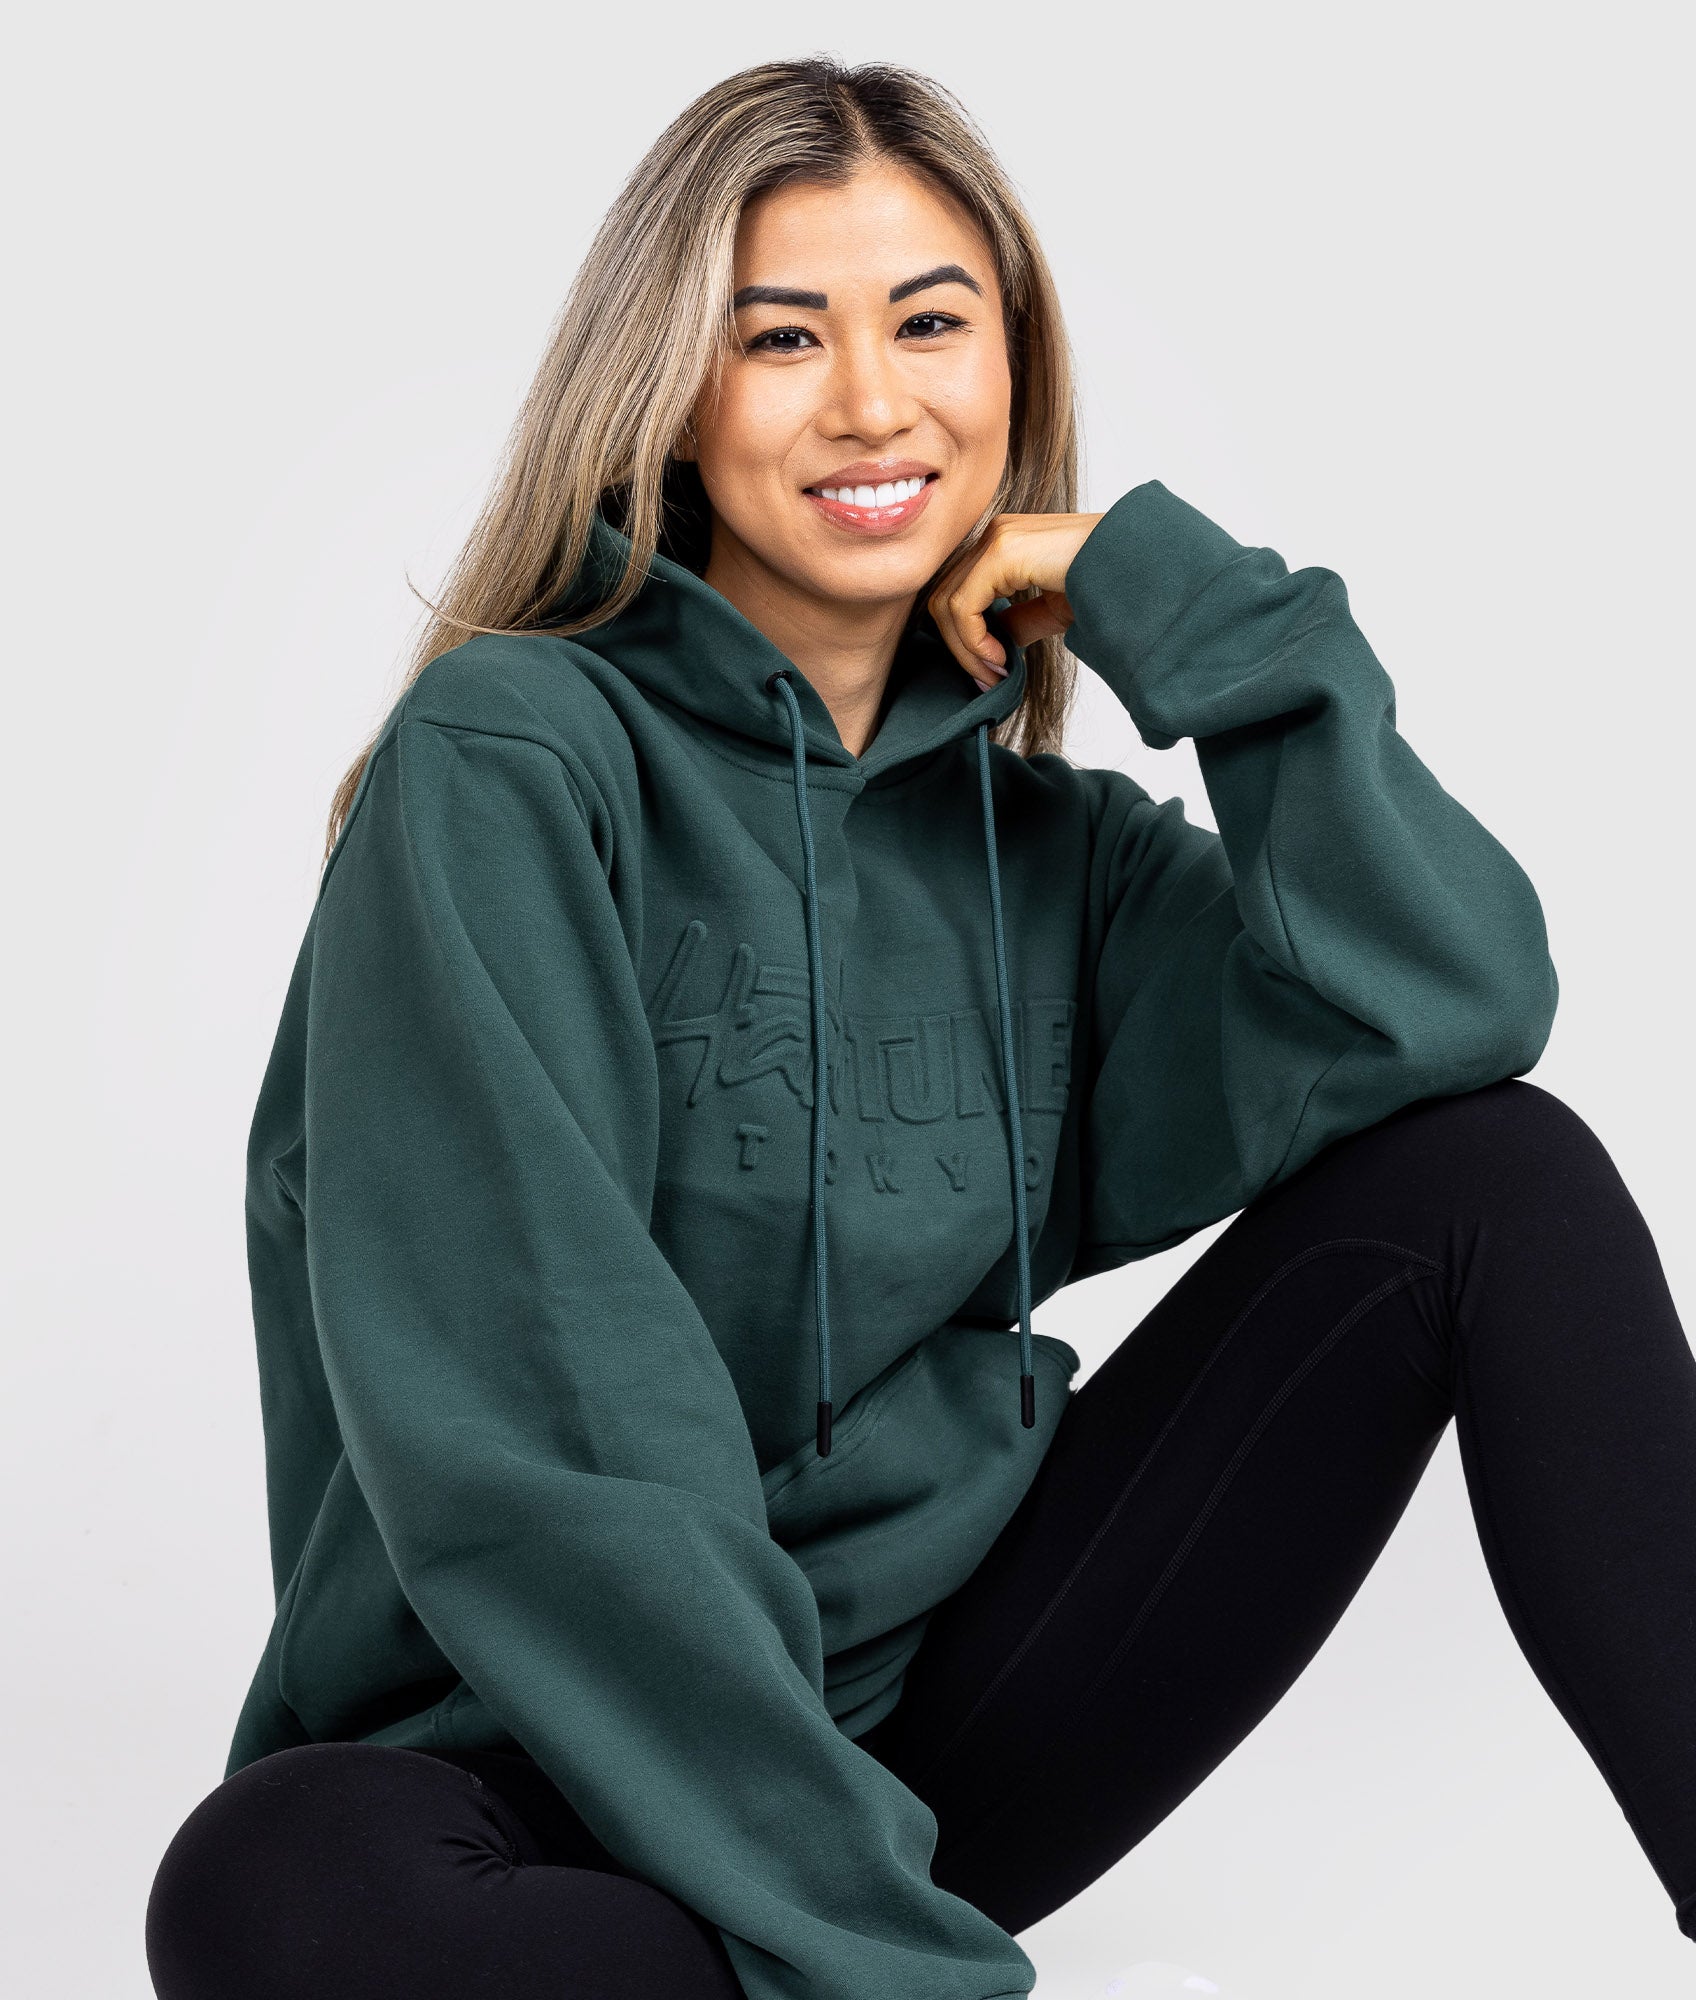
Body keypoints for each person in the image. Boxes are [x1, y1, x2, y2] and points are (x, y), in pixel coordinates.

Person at [144, 55, 1696, 2000]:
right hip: (528, 1751)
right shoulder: (514, 761)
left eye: (932, 323)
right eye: (781, 335)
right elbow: (547, 1427)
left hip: (937, 1724)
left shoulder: (1054, 854)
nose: (872, 401)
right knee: (267, 1890)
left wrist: (1163, 598)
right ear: (674, 394)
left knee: (1497, 1177)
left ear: (1011, 367)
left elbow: (1455, 1000)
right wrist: (891, 1957)